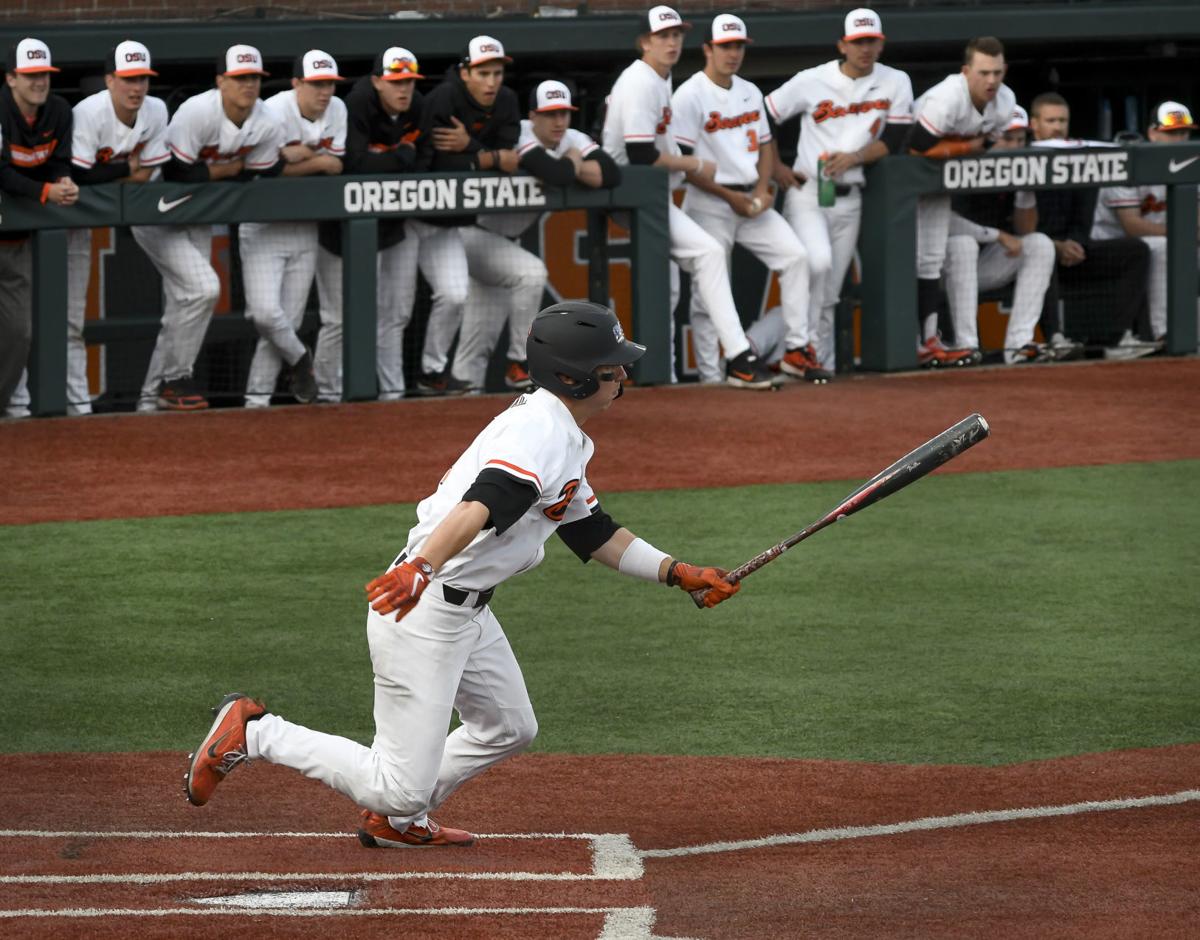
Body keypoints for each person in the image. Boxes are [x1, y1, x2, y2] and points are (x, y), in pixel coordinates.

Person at [183, 301, 742, 847]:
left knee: (509, 726)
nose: (623, 374)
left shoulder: (563, 433)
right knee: (395, 788)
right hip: (421, 607)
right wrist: (424, 565)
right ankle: (256, 733)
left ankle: (399, 822)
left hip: (465, 608)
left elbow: (591, 530)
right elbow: (481, 504)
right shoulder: (538, 434)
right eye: (610, 367)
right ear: (575, 378)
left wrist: (677, 572)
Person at [602, 5, 775, 390]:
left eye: (677, 35)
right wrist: (695, 164)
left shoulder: (659, 77)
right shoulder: (640, 81)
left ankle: (661, 376)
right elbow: (640, 153)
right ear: (645, 42)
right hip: (629, 191)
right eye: (663, 36)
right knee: (709, 252)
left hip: (644, 192)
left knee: (668, 287)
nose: (671, 42)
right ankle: (740, 356)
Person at [672, 15, 824, 385]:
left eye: (738, 46)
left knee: (797, 256)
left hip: (750, 200)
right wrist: (731, 197)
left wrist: (761, 189)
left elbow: (766, 144)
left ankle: (795, 349)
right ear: (708, 49)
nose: (733, 53)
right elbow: (687, 166)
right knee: (708, 294)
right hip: (710, 201)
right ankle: (710, 376)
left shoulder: (749, 91)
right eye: (725, 46)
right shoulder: (689, 94)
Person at [134, 44, 284, 412]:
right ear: (221, 81)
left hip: (197, 216)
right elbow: (177, 171)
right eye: (240, 77)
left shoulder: (267, 121)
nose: (249, 85)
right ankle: (175, 379)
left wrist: (225, 172)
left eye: (254, 78)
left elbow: (261, 171)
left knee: (181, 309)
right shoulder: (198, 110)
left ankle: (149, 399)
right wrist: (230, 169)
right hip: (160, 214)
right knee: (203, 288)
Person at [764, 7, 913, 374]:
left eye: (871, 41)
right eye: (858, 41)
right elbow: (764, 114)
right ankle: (799, 352)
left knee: (829, 292)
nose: (865, 48)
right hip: (809, 191)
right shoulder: (812, 80)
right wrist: (777, 167)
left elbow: (893, 140)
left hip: (851, 195)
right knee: (817, 263)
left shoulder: (896, 81)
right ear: (842, 44)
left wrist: (856, 157)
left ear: (881, 44)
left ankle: (816, 360)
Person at [449, 80, 621, 392]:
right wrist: (573, 162)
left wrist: (571, 160)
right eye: (550, 114)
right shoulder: (521, 131)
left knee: (479, 337)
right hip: (470, 233)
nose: (558, 122)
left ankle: (462, 392)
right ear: (533, 116)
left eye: (564, 114)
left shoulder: (571, 138)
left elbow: (611, 174)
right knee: (530, 273)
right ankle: (518, 360)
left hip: (501, 244)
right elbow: (558, 175)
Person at [414, 35, 546, 397]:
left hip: (465, 230)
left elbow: (507, 157)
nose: (491, 81)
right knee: (392, 310)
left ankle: (452, 381)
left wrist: (472, 150)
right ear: (464, 72)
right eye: (483, 72)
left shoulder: (506, 100)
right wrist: (487, 158)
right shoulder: (443, 99)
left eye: (497, 72)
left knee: (466, 319)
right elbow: (433, 160)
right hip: (426, 220)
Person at [315, 45, 425, 403]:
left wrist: (394, 158)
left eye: (409, 82)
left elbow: (425, 160)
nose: (404, 89)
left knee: (396, 313)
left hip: (393, 226)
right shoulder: (358, 102)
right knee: (341, 318)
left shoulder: (417, 105)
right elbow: (357, 165)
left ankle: (391, 391)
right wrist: (401, 157)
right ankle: (327, 392)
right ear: (378, 81)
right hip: (344, 231)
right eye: (396, 82)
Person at [239, 50, 345, 409]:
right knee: (267, 315)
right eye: (316, 84)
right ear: (297, 83)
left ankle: (257, 400)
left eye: (329, 83)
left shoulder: (339, 110)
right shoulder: (271, 110)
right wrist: (314, 161)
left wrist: (305, 158)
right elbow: (265, 172)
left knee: (288, 321)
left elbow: (336, 167)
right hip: (264, 227)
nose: (324, 92)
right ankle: (302, 360)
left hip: (305, 229)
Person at [909, 36, 1015, 367]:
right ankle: (913, 341)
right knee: (907, 260)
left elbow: (987, 145)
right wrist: (966, 148)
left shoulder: (1006, 101)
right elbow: (918, 150)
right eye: (984, 73)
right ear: (966, 71)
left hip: (938, 183)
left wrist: (965, 149)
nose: (992, 81)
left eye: (997, 73)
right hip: (901, 179)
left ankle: (927, 341)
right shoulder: (946, 99)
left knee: (931, 258)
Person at [1024, 92, 1152, 360]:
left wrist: (1075, 243)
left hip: (1073, 252)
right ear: (1034, 125)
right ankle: (1055, 341)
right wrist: (1056, 246)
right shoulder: (1021, 160)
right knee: (1041, 251)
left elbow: (1083, 220)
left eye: (1062, 120)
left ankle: (1113, 340)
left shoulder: (1082, 159)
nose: (1058, 127)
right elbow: (1022, 226)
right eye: (1050, 120)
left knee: (1136, 251)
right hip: (1035, 253)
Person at [942, 105, 1058, 364]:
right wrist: (996, 235)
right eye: (1007, 139)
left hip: (983, 266)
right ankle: (967, 346)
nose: (1015, 147)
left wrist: (1025, 190)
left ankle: (1018, 344)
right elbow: (947, 222)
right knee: (963, 244)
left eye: (1020, 140)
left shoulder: (1018, 167)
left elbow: (1026, 229)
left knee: (1039, 244)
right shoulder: (966, 162)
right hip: (939, 268)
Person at [0, 38, 78, 418]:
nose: (39, 81)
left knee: (19, 332)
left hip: (15, 241)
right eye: (30, 75)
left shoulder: (60, 111)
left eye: (44, 74)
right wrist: (45, 190)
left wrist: (62, 181)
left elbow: (59, 160)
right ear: (11, 78)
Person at [1090, 100, 1199, 349]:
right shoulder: (1129, 161)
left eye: (1184, 132)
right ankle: (1164, 332)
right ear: (1152, 133)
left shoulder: (1192, 162)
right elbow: (1132, 226)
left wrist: (1188, 234)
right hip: (1114, 246)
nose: (1180, 139)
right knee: (1164, 248)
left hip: (1166, 239)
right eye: (1172, 133)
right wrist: (1185, 234)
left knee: (1177, 248)